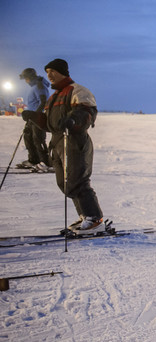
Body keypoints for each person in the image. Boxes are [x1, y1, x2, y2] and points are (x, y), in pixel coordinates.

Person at [22, 58, 104, 235]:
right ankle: (84, 216)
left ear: (63, 72)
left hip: (74, 139)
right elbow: (49, 124)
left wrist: (74, 119)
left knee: (77, 180)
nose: (49, 75)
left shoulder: (77, 90)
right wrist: (34, 117)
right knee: (64, 183)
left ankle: (94, 219)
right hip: (58, 142)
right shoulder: (54, 97)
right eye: (47, 72)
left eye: (53, 71)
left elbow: (87, 111)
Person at [18, 68, 51, 172]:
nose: (26, 81)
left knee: (38, 139)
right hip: (32, 117)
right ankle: (34, 160)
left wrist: (35, 115)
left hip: (38, 117)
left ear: (30, 77)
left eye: (26, 78)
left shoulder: (39, 86)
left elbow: (43, 102)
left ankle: (45, 162)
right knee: (28, 137)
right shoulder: (34, 86)